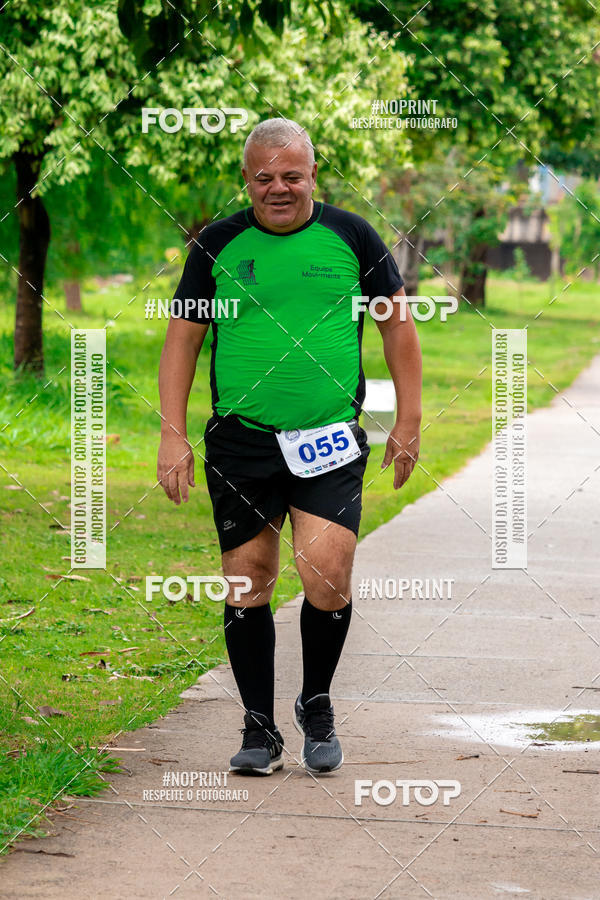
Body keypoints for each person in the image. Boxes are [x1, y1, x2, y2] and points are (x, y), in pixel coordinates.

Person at [157, 117, 422, 776]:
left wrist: (410, 420)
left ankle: (317, 702)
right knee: (248, 580)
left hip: (329, 437)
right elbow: (183, 339)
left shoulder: (351, 235)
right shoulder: (218, 243)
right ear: (247, 179)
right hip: (243, 441)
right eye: (264, 177)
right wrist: (171, 433)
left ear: (312, 174)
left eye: (292, 175)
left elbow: (397, 325)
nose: (279, 187)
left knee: (326, 576)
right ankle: (258, 729)